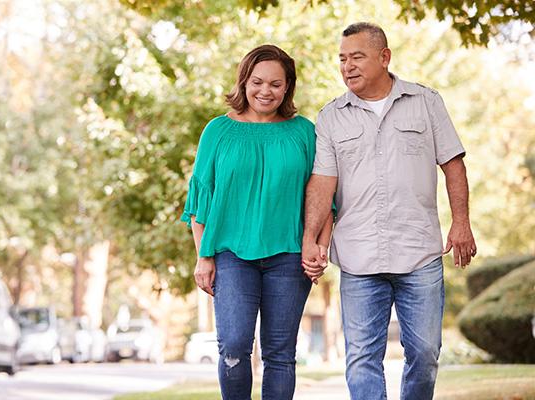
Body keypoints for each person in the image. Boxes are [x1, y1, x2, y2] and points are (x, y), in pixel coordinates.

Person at [301, 22, 476, 400]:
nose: (347, 66)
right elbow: (322, 182)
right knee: (361, 357)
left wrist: (461, 223)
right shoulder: (331, 116)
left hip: (420, 252)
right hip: (359, 255)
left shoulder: (426, 102)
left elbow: (453, 164)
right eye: (342, 59)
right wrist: (310, 239)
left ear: (384, 57)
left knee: (425, 354)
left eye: (357, 57)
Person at [181, 44, 333, 400]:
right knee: (233, 345)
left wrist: (320, 246)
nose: (266, 91)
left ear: (288, 87)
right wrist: (203, 256)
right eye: (258, 82)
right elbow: (200, 197)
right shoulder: (217, 131)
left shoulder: (304, 133)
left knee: (280, 355)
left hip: (289, 256)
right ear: (244, 82)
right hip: (231, 254)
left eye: (276, 84)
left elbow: (325, 197)